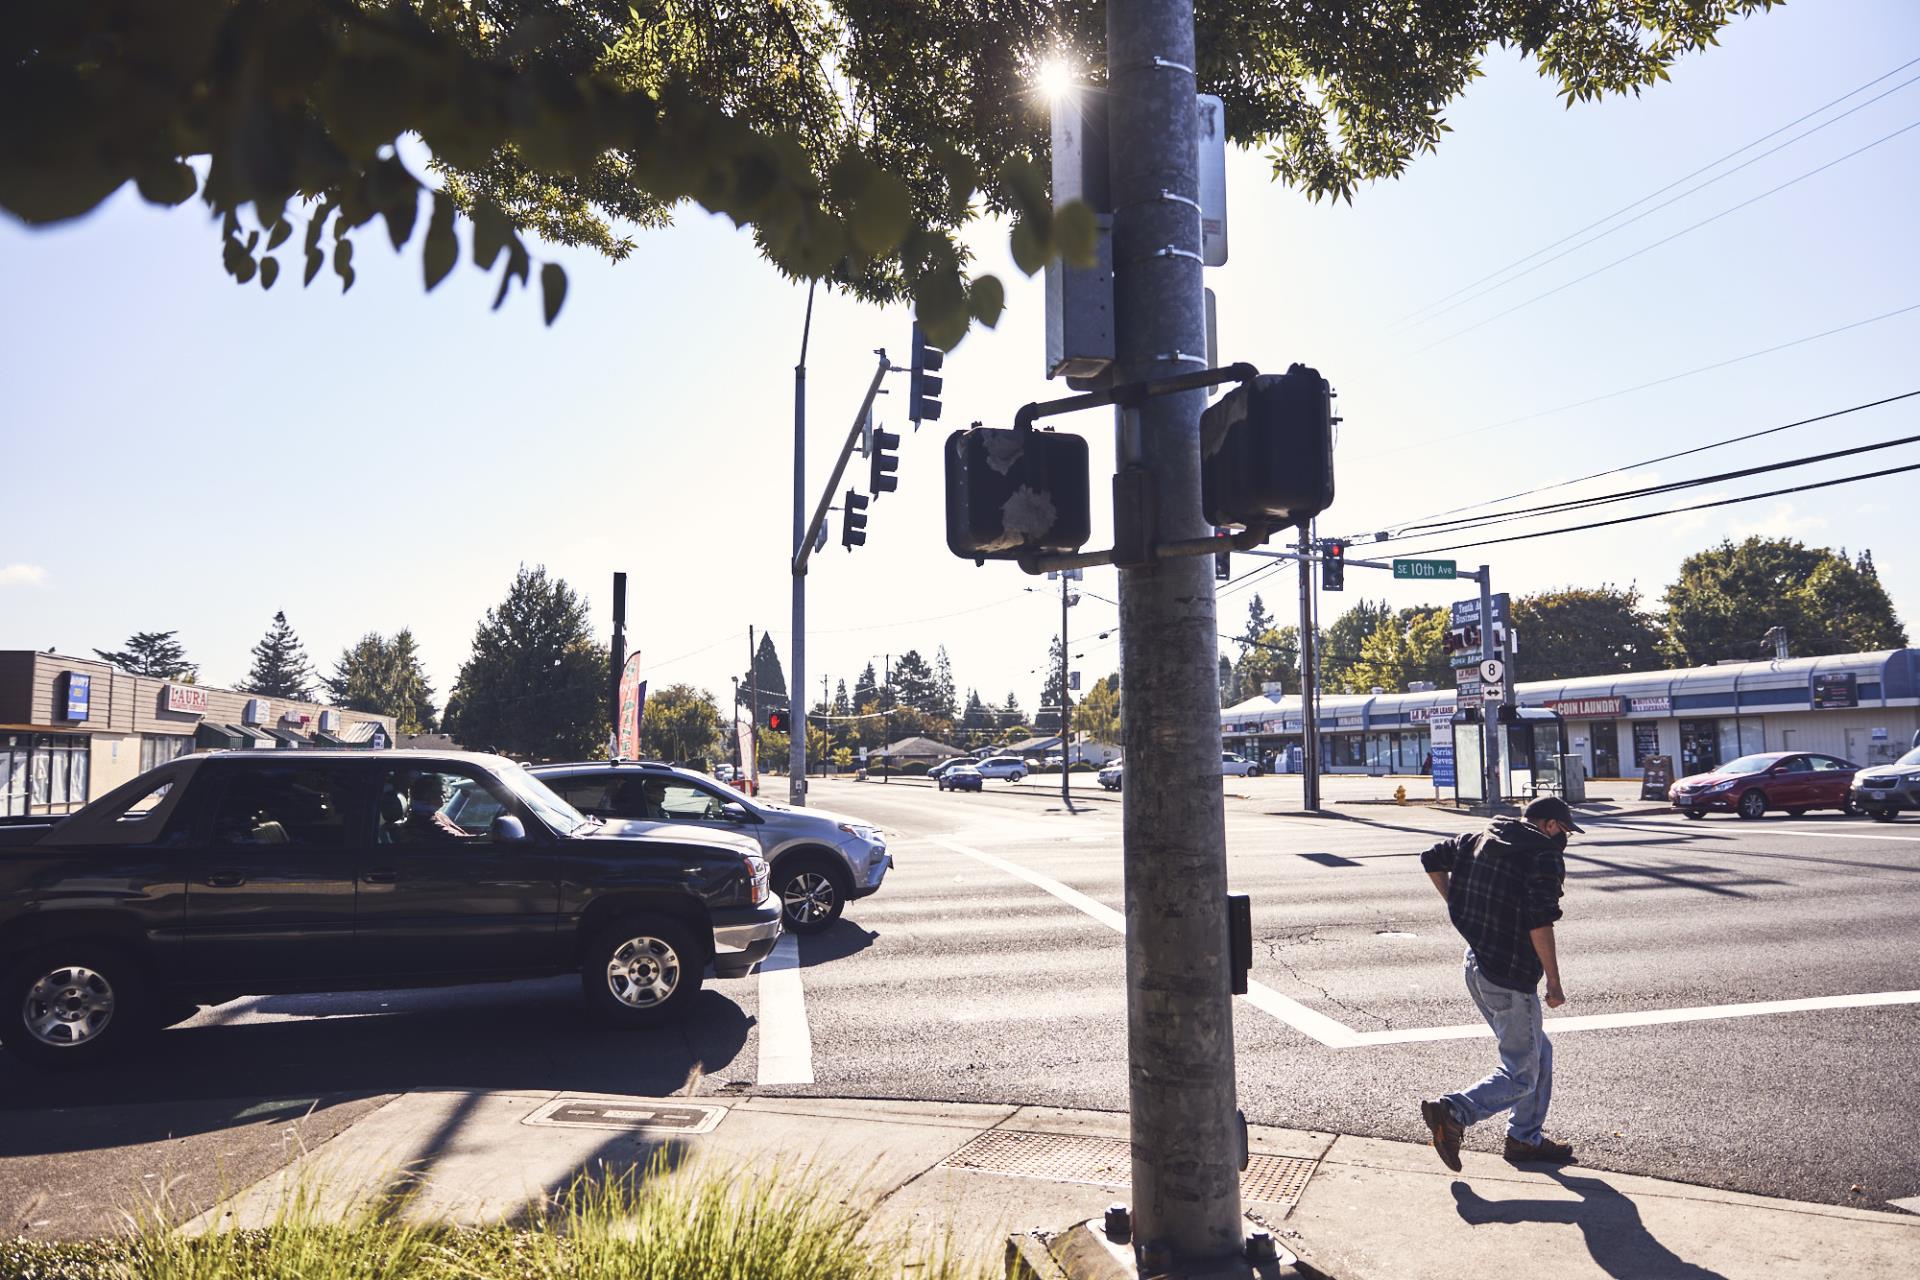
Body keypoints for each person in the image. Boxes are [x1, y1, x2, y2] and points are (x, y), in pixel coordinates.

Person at [1417, 795, 1581, 1170]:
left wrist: (1455, 901)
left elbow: (1431, 858)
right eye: (1565, 831)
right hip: (1509, 975)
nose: (1565, 839)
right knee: (1522, 1075)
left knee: (1539, 1053)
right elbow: (1540, 921)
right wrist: (1553, 982)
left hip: (1477, 964)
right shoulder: (1543, 855)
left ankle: (1524, 1138)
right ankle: (1454, 1112)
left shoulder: (1479, 838)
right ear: (1550, 825)